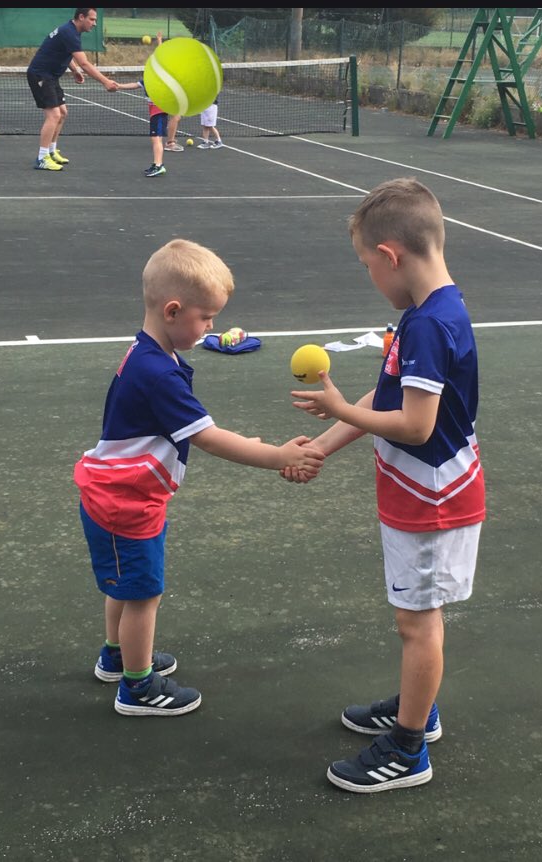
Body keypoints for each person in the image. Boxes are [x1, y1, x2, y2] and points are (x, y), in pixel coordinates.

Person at [288, 177, 486, 793]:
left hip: (433, 498)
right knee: (416, 616)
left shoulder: (429, 325)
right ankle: (414, 710)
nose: (369, 275)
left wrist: (340, 409)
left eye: (367, 264)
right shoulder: (424, 314)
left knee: (417, 622)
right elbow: (393, 395)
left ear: (391, 255)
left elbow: (415, 425)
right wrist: (323, 441)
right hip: (420, 492)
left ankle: (408, 746)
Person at [74, 238, 325, 717]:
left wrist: (258, 446)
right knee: (144, 594)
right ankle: (137, 685)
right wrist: (274, 456)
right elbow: (207, 437)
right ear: (173, 310)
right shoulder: (157, 373)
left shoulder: (151, 354)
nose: (212, 327)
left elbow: (186, 431)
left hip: (116, 495)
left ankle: (116, 656)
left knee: (124, 588)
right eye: (206, 317)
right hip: (125, 504)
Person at [26, 8, 118, 171]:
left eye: (95, 20)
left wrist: (74, 70)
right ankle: (42, 158)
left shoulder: (71, 31)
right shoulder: (69, 32)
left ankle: (52, 151)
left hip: (51, 76)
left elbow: (66, 54)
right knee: (54, 115)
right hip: (40, 75)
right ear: (81, 17)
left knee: (62, 113)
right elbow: (85, 63)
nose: (94, 23)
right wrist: (105, 81)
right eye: (92, 19)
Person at [114, 33, 179, 176]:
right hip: (154, 112)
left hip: (159, 111)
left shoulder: (161, 79)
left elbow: (161, 59)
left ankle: (159, 165)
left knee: (157, 140)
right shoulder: (148, 79)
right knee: (155, 139)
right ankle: (157, 163)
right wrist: (118, 86)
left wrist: (160, 43)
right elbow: (134, 85)